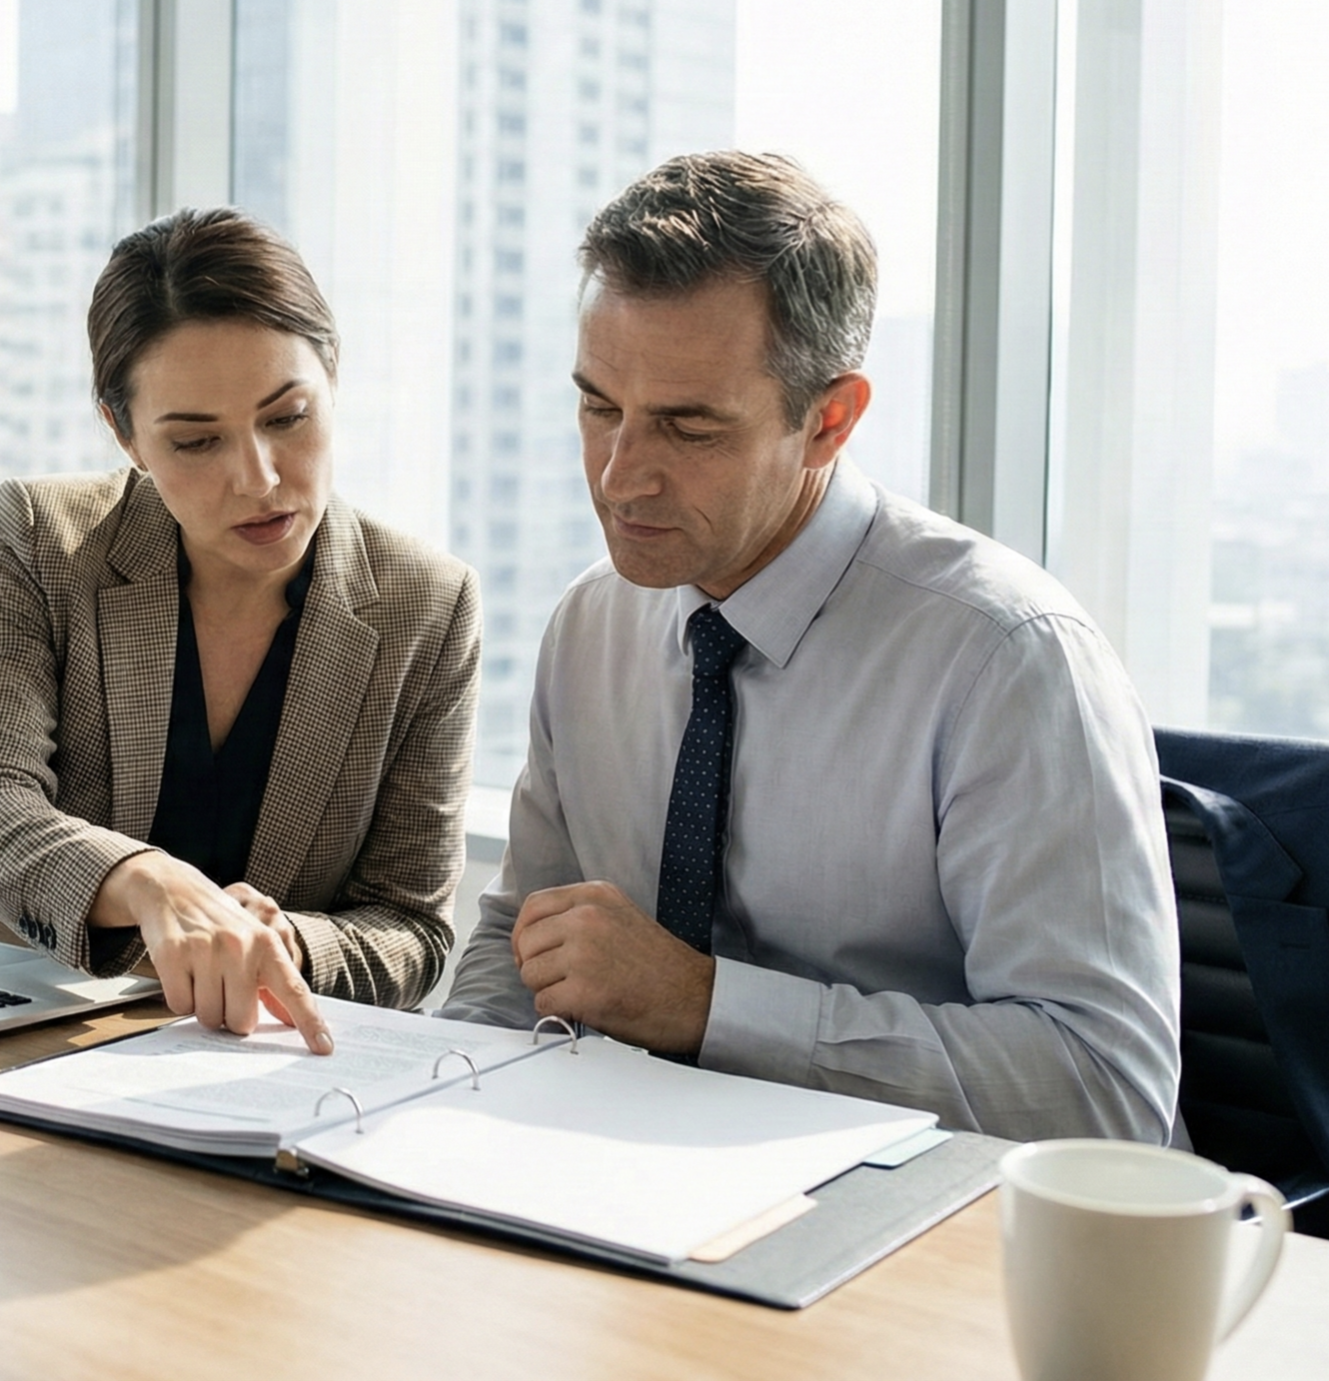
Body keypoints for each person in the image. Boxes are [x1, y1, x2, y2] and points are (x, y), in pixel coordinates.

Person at [439, 152, 1181, 1142]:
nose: (619, 477)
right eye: (598, 407)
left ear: (828, 421)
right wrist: (436, 1117)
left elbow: (1106, 1090)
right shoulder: (592, 623)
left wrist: (707, 1006)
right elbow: (523, 940)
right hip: (642, 1179)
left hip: (927, 1211)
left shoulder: (1008, 660)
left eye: (687, 428)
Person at [0, 207, 480, 1055]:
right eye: (196, 441)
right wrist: (146, 882)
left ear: (333, 375)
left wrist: (280, 947)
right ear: (126, 436)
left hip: (234, 1063)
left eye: (287, 418)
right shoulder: (43, 537)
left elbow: (412, 927)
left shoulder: (428, 605)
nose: (258, 478)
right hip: (0, 1023)